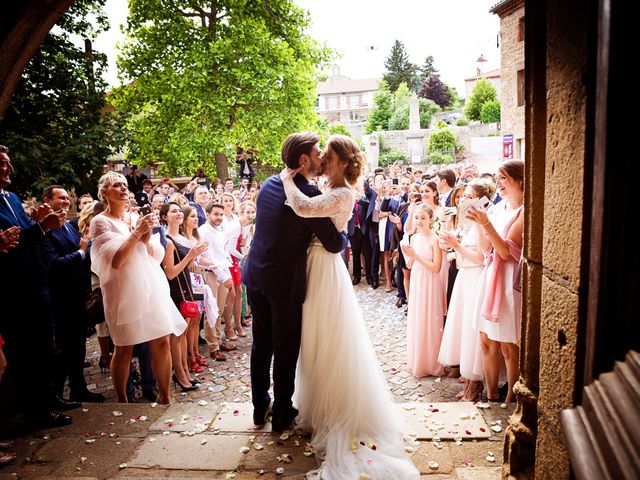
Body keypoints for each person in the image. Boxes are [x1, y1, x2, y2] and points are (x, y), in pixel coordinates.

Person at [279, 134, 419, 479]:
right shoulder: (330, 190)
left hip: (325, 269)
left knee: (329, 338)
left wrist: (285, 177)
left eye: (326, 155)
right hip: (316, 265)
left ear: (342, 162)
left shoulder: (342, 194)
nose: (322, 160)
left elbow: (303, 208)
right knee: (314, 337)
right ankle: (316, 407)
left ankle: (336, 411)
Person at [242, 132, 348, 433]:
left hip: (256, 274)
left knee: (261, 343)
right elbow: (332, 243)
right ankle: (283, 412)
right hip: (283, 281)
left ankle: (259, 405)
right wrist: (344, 230)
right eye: (317, 154)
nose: (321, 159)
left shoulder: (270, 184)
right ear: (303, 160)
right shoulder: (307, 195)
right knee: (285, 347)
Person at [90, 172, 187, 404]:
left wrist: (144, 236)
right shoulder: (100, 222)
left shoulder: (134, 217)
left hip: (150, 285)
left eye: (124, 185)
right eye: (116, 185)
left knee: (162, 341)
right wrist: (136, 233)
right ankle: (122, 400)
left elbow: (154, 254)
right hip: (122, 291)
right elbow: (116, 261)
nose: (123, 189)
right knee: (124, 347)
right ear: (104, 192)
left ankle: (165, 398)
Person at [36, 185, 105, 403]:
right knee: (63, 349)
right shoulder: (44, 229)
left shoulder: (68, 226)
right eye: (60, 198)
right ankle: (55, 393)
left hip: (78, 295)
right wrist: (81, 251)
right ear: (47, 200)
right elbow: (54, 265)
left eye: (67, 198)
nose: (66, 202)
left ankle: (79, 388)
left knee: (78, 346)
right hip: (60, 298)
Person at [467, 160, 524, 403]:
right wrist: (480, 223)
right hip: (490, 276)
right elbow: (485, 248)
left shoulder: (525, 211)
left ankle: (511, 397)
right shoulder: (499, 208)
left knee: (509, 345)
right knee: (486, 338)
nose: (498, 183)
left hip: (508, 280)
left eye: (503, 178)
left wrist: (486, 223)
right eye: (497, 178)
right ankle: (491, 395)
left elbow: (504, 251)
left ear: (520, 180)